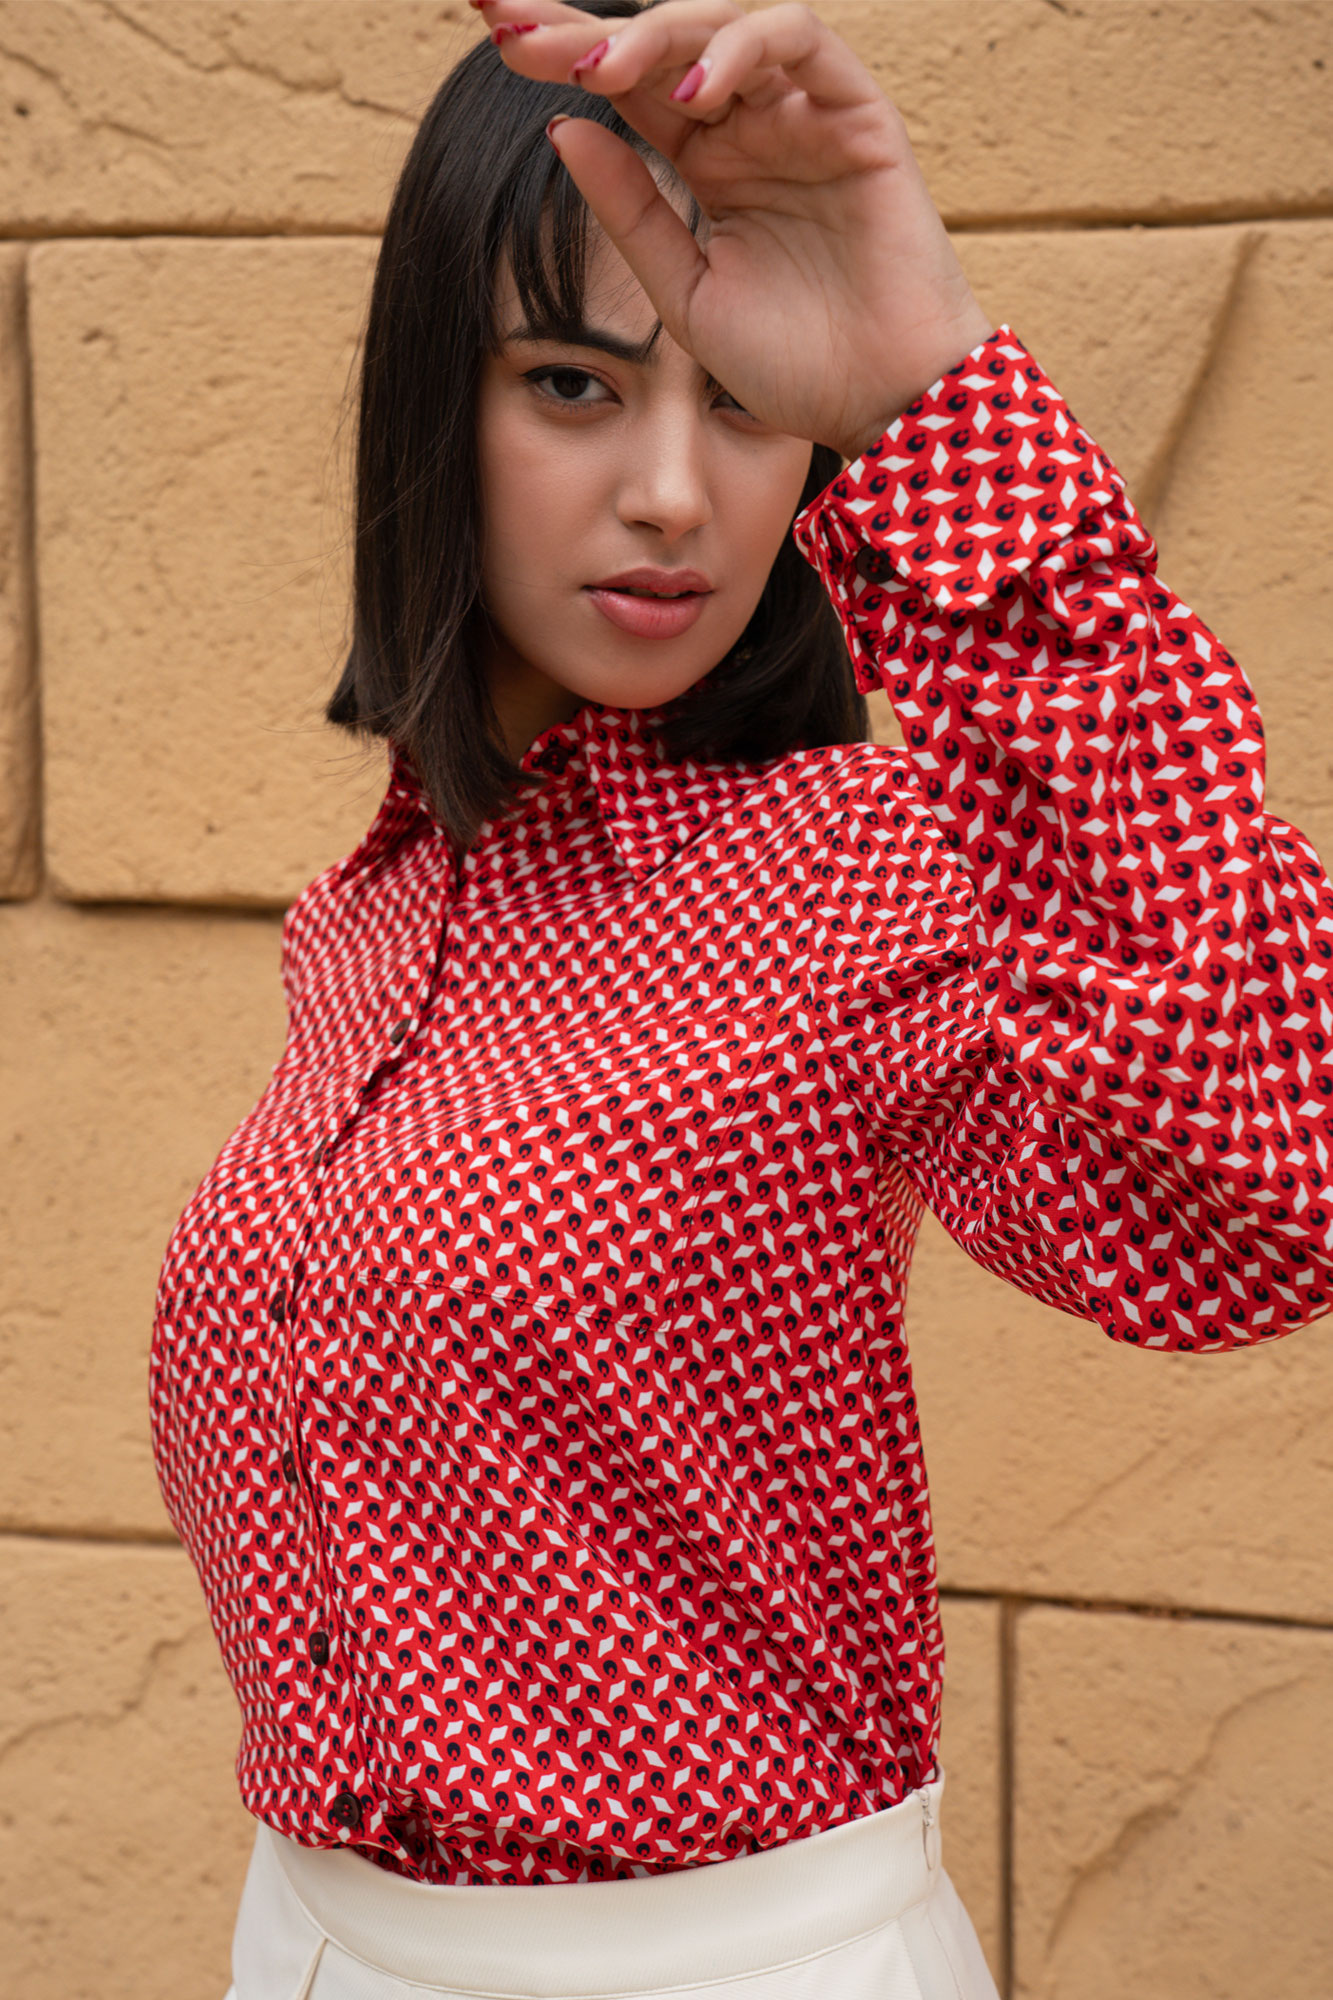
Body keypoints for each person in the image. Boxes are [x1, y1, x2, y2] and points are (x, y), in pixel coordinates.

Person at [147, 1, 1333, 1995]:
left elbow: (1268, 1187)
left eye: (746, 402)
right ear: (436, 406)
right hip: (311, 1934)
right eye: (573, 384)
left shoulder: (862, 860)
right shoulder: (356, 927)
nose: (679, 496)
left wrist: (930, 390)